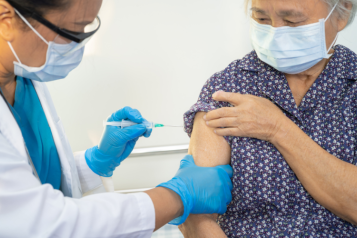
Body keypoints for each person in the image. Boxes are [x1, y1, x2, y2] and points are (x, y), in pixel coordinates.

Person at [0, 0, 234, 237]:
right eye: (71, 31)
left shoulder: (24, 76)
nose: (78, 47)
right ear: (5, 18)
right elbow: (45, 223)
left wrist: (95, 162)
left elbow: (31, 179)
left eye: (87, 28)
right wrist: (177, 196)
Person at [179, 0, 357, 237]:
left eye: (293, 21)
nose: (275, 34)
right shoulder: (229, 87)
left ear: (341, 13)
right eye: (262, 19)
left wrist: (278, 128)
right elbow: (197, 216)